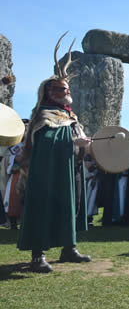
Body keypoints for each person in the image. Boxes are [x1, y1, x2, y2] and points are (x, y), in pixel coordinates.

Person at [17, 34, 92, 273]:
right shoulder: (44, 115)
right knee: (43, 207)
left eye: (67, 88)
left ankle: (68, 248)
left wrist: (83, 144)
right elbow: (45, 142)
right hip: (46, 172)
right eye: (61, 88)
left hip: (70, 168)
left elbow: (73, 138)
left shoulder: (70, 115)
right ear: (50, 92)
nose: (66, 91)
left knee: (71, 207)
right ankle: (37, 255)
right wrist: (73, 141)